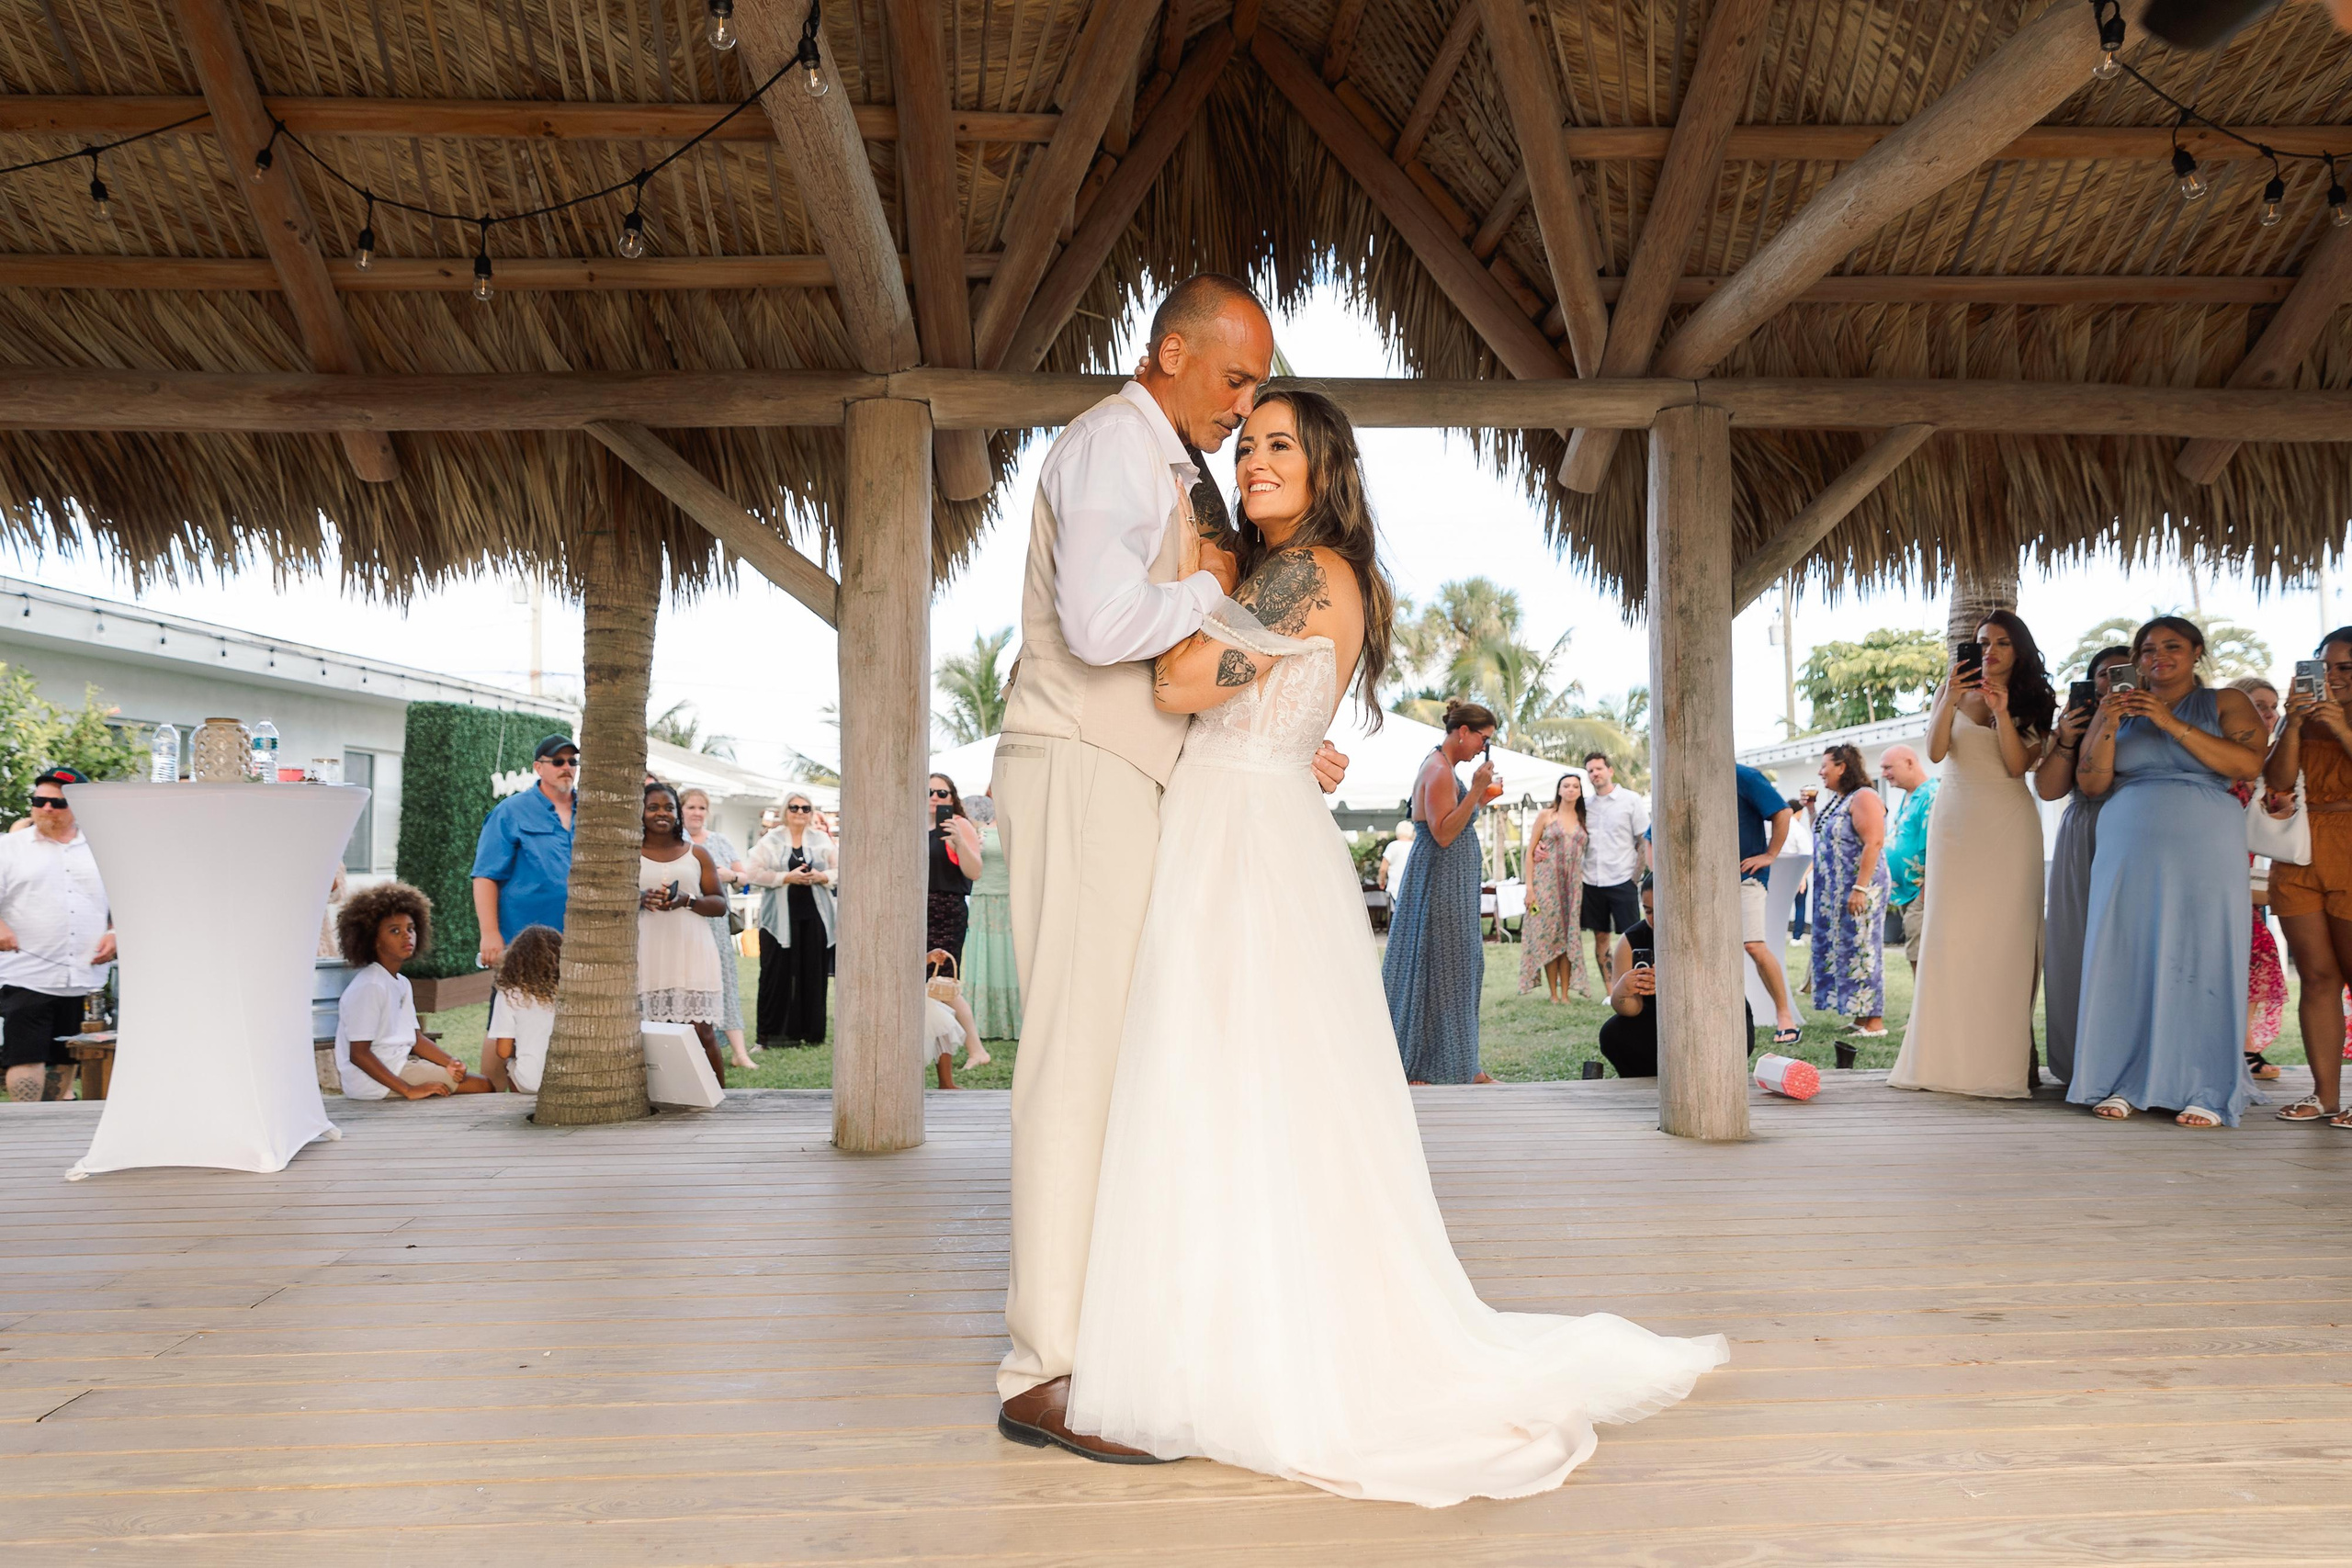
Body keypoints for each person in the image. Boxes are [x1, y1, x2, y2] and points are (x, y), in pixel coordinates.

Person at [1063, 384, 1723, 1504]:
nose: (1257, 461)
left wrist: (1199, 582)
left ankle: (1221, 1336)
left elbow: (1177, 681)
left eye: (1282, 446)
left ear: (1324, 469)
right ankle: (1252, 1316)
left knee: (1216, 1078)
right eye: (1250, 445)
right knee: (1265, 1089)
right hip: (1265, 827)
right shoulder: (1336, 578)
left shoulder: (1292, 571)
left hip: (1236, 839)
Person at [989, 275, 1348, 1461]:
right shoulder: (1109, 448)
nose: (1241, 411)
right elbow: (1099, 624)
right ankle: (1045, 1367)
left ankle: (1101, 1334)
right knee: (1076, 1062)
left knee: (1119, 1062)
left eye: (1262, 400)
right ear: (1171, 350)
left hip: (1128, 777)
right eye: (1237, 382)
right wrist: (1209, 589)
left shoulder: (1163, 468)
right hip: (1083, 764)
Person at [2071, 616, 2267, 1127]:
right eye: (2148, 649)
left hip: (2206, 846)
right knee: (2127, 952)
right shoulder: (2116, 707)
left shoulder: (2226, 703)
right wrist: (2109, 722)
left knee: (2201, 954)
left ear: (2196, 651)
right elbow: (2092, 784)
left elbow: (2247, 766)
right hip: (2127, 846)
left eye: (2172, 646)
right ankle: (2118, 1079)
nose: (2159, 656)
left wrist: (2167, 720)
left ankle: (2205, 1082)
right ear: (2135, 660)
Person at [1890, 612, 2054, 1100]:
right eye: (1983, 642)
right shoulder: (1952, 691)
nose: (1990, 651)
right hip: (1956, 820)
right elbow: (1937, 753)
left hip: (2007, 822)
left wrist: (2002, 711)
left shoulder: (2035, 700)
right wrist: (1950, 696)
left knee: (2008, 939)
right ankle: (1945, 1061)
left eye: (2002, 642)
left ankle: (2002, 1067)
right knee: (1953, 937)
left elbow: (2016, 766)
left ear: (2018, 650)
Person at [2262, 630, 2352, 1126]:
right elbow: (2277, 781)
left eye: (2346, 668)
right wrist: (2294, 724)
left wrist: (2340, 728)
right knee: (2317, 978)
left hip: (2349, 844)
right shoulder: (2302, 718)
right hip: (2298, 849)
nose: (2333, 677)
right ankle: (2325, 1096)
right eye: (2325, 666)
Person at [1384, 700, 1499, 1086]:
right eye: (1483, 739)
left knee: (1461, 968)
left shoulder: (1447, 769)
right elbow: (1444, 833)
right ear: (1462, 732)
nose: (1483, 748)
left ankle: (1466, 1064)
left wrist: (1479, 796)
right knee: (1443, 969)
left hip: (1454, 884)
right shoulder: (1436, 769)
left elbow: (1453, 816)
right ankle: (1426, 1066)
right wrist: (1478, 789)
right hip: (1439, 883)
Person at [2035, 644, 2132, 1084]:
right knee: (2075, 942)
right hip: (2084, 831)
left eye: (2122, 672)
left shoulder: (2155, 719)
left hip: (2135, 828)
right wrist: (2066, 738)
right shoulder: (2076, 723)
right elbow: (2050, 790)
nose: (2111, 681)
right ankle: (2079, 1062)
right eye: (2102, 674)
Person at [0, 768, 115, 1103]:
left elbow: (128, 899)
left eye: (57, 803)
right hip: (27, 974)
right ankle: (26, 1133)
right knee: (26, 1056)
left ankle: (56, 1127)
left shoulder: (102, 848)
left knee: (69, 1056)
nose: (46, 809)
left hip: (83, 973)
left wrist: (115, 932)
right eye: (39, 801)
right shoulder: (9, 847)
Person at [333, 883, 492, 1099]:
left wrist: (450, 1062)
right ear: (373, 940)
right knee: (483, 1087)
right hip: (372, 1082)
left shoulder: (400, 982)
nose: (407, 936)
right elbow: (359, 1055)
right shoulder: (370, 986)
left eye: (411, 928)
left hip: (398, 1064)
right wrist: (408, 1090)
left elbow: (414, 1038)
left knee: (477, 1084)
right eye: (394, 931)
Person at [1600, 874, 1754, 1077]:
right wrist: (1623, 991)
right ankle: (1644, 1083)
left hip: (1714, 1016)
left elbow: (1723, 991)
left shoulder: (1711, 933)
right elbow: (1631, 1010)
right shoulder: (1632, 940)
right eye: (1649, 911)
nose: (1655, 918)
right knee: (1613, 1032)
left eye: (1663, 910)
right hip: (1658, 1021)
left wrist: (1673, 982)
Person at [637, 782, 729, 1086]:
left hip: (693, 950)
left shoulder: (697, 854)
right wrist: (639, 899)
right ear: (642, 812)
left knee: (701, 1030)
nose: (661, 813)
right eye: (653, 807)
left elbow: (719, 904)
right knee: (650, 1032)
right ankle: (665, 1097)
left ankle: (717, 1097)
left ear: (677, 814)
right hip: (648, 950)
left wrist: (687, 900)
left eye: (668, 807)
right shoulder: (628, 854)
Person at [470, 734, 576, 968]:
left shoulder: (590, 812)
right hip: (523, 943)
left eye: (572, 761)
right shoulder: (510, 812)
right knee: (516, 1003)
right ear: (538, 767)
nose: (567, 767)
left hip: (581, 942)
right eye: (558, 762)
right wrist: (489, 934)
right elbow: (485, 876)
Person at [2228, 677, 2288, 1082]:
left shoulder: (2278, 762)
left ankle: (2246, 1048)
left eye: (2273, 706)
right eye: (2259, 705)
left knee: (2258, 954)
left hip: (2250, 880)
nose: (2268, 714)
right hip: (2215, 872)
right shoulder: (2223, 761)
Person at [1806, 744, 1888, 1040]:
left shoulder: (1865, 797)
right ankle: (1860, 1016)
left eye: (1825, 765)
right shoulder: (1840, 800)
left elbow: (1873, 843)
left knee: (1863, 949)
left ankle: (1875, 1021)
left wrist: (1860, 888)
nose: (1820, 771)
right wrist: (1812, 810)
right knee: (1848, 949)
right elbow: (1826, 835)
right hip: (1836, 891)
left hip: (1861, 888)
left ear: (1842, 766)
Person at [746, 794, 834, 1047]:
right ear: (785, 811)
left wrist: (821, 876)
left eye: (805, 808)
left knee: (813, 975)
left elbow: (841, 869)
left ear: (811, 812)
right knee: (775, 975)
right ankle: (770, 1035)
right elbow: (752, 873)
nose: (800, 812)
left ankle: (812, 1034)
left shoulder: (822, 840)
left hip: (814, 917)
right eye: (794, 807)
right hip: (779, 919)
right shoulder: (771, 840)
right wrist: (786, 878)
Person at [679, 787, 752, 1071]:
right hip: (686, 920)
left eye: (702, 808)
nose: (697, 813)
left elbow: (744, 876)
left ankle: (739, 1052)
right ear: (680, 810)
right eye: (691, 807)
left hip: (718, 922)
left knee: (726, 980)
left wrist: (729, 875)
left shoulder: (719, 841)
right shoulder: (675, 842)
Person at [1735, 761, 1802, 1045]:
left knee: (1754, 945)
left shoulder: (1744, 775)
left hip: (1745, 875)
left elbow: (1783, 811)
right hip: (1702, 882)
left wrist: (1770, 854)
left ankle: (1785, 1016)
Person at [1578, 751, 1649, 986]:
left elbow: (1643, 840)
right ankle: (1610, 992)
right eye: (1590, 770)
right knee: (1600, 936)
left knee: (1633, 935)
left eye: (1598, 768)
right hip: (1592, 881)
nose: (1594, 774)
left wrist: (1634, 878)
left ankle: (1635, 985)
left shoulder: (1630, 800)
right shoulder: (1585, 806)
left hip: (1622, 879)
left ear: (1610, 771)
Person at [1518, 774, 1589, 1002]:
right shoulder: (1546, 816)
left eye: (1575, 786)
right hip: (1546, 884)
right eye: (1566, 785)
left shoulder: (1582, 818)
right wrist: (1530, 888)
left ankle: (1566, 993)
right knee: (1550, 936)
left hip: (1573, 887)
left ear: (1579, 791)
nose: (1570, 789)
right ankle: (1553, 993)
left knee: (1568, 937)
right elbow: (1529, 853)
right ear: (1559, 790)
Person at [958, 795, 1011, 1064]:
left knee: (1011, 959)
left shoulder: (1023, 822)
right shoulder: (976, 823)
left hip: (1011, 900)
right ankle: (984, 1022)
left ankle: (1013, 1020)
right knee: (983, 958)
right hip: (982, 898)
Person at [1877, 746, 1938, 973]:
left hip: (1921, 890)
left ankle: (1926, 1007)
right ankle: (1923, 1006)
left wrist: (1924, 892)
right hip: (1908, 891)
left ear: (1910, 763)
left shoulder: (1931, 794)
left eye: (1888, 767)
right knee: (1915, 950)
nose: (1883, 773)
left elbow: (1936, 846)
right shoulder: (1908, 795)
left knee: (1920, 951)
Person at [483, 924, 560, 1094]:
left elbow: (503, 1051)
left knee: (511, 1063)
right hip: (568, 1080)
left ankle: (518, 1102)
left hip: (531, 1083)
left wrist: (525, 1045)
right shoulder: (568, 992)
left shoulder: (508, 994)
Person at [926, 773, 982, 967]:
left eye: (941, 793)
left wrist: (958, 842)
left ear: (951, 797)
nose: (934, 797)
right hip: (916, 910)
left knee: (942, 980)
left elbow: (975, 872)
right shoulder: (915, 825)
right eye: (928, 792)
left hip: (946, 911)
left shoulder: (958, 824)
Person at [1378, 819, 1415, 891]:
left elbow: (1383, 869)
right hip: (1413, 889)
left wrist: (1382, 881)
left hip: (1395, 888)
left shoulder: (1392, 846)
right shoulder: (1415, 846)